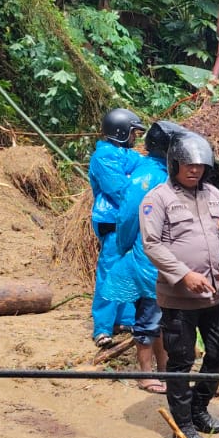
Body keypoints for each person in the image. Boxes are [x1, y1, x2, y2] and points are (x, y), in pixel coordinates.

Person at [139, 133, 219, 438]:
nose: (194, 170)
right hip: (178, 299)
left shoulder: (213, 195)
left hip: (215, 294)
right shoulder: (158, 198)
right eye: (188, 164)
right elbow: (151, 244)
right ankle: (182, 424)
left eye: (200, 165)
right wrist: (183, 274)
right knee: (181, 360)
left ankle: (199, 407)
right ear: (174, 164)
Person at [105, 120, 184, 392]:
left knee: (161, 318)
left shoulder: (165, 172)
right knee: (149, 317)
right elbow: (128, 216)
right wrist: (126, 246)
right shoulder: (148, 176)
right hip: (149, 259)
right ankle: (146, 374)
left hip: (166, 260)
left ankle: (164, 372)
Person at [89, 108, 144, 348]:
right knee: (110, 271)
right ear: (122, 132)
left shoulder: (122, 154)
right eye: (134, 133)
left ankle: (125, 319)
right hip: (112, 222)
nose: (136, 138)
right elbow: (121, 190)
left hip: (127, 221)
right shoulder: (103, 157)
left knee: (129, 270)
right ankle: (102, 327)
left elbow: (144, 164)